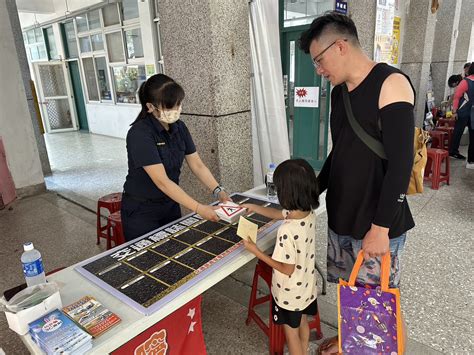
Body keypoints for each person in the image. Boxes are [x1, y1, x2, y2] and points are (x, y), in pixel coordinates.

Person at [298, 12, 415, 353]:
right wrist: (312, 191)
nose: (319, 70)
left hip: (376, 223)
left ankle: (380, 347)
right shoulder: (339, 94)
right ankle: (353, 340)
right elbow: (342, 150)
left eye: (320, 60)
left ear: (341, 46)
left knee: (380, 300)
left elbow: (400, 165)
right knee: (351, 291)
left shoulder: (390, 84)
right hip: (343, 215)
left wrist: (380, 227)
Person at [121, 74, 231, 241]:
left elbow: (197, 165)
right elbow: (162, 182)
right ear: (150, 107)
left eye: (178, 104)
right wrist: (198, 208)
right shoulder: (139, 134)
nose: (176, 109)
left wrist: (218, 190)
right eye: (170, 106)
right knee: (147, 260)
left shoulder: (179, 127)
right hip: (142, 211)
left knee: (174, 250)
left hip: (170, 204)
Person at [242, 159, 320, 355]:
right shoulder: (307, 214)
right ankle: (304, 351)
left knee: (290, 334)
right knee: (302, 322)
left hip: (288, 294)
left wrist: (255, 250)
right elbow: (279, 213)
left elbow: (286, 268)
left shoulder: (287, 231)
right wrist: (255, 207)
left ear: (285, 193)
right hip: (306, 287)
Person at [451, 62, 474, 168]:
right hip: (463, 111)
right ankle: (453, 151)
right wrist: (454, 111)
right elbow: (456, 97)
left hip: (471, 112)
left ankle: (471, 160)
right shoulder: (466, 81)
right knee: (458, 131)